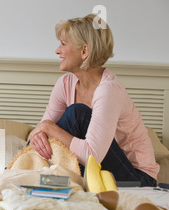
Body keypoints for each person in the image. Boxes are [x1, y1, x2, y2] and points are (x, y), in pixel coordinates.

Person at [29, 14, 159, 187]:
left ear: (84, 51)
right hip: (96, 171)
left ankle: (16, 177)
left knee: (78, 113)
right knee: (51, 139)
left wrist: (48, 128)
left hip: (138, 178)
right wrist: (40, 132)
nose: (57, 50)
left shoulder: (109, 89)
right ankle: (17, 177)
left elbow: (92, 156)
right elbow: (37, 134)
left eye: (63, 44)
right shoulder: (65, 84)